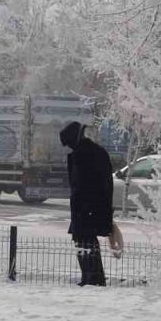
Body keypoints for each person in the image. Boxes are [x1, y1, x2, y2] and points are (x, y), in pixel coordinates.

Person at [60, 121, 114, 286]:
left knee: (84, 242)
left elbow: (81, 186)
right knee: (87, 242)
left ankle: (91, 279)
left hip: (85, 209)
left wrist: (82, 208)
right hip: (94, 208)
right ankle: (93, 278)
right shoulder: (96, 152)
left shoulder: (83, 155)